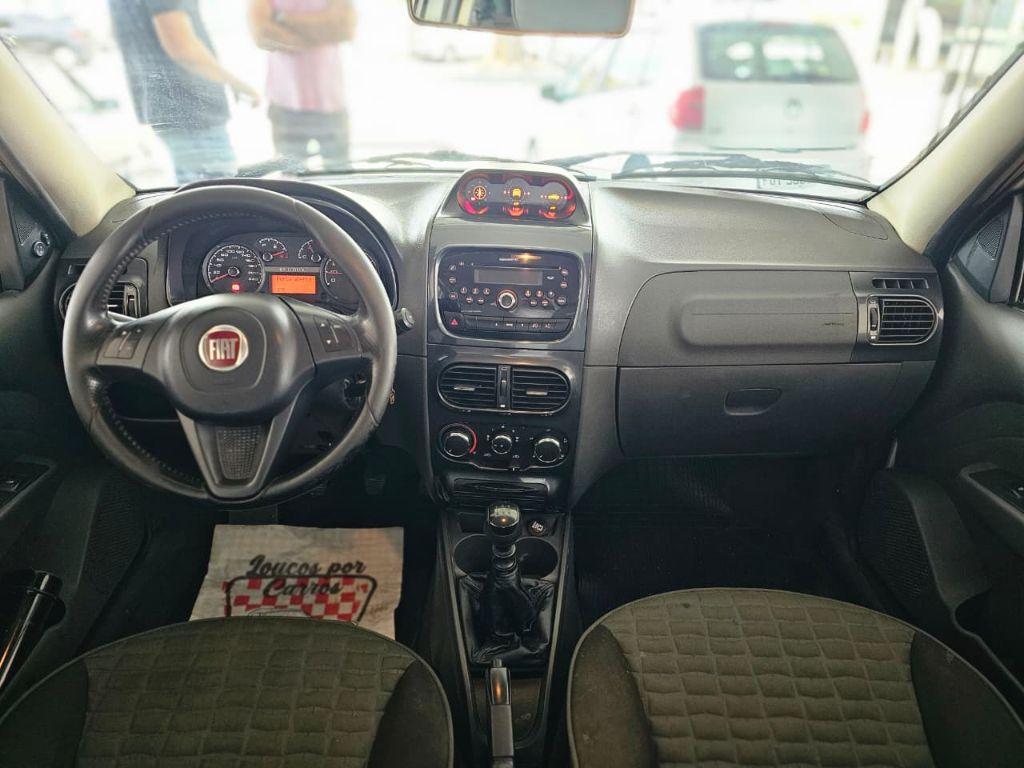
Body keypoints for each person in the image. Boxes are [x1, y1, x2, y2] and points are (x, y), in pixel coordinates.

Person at [108, 0, 259, 183]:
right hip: (192, 107)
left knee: (194, 191)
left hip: (163, 106)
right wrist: (236, 83)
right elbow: (181, 46)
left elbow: (117, 31)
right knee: (217, 194)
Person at [248, 0, 356, 170]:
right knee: (291, 179)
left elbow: (345, 29)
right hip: (286, 105)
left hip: (331, 104)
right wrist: (322, 29)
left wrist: (282, 18)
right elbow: (262, 35)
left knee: (341, 175)